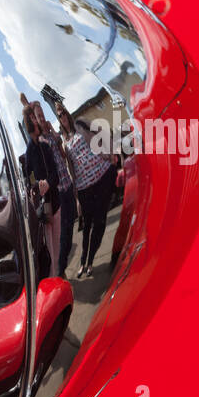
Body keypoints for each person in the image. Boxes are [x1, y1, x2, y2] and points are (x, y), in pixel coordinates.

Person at [57, 106, 115, 279]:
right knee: (87, 226)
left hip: (101, 175)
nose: (62, 117)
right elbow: (71, 166)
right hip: (84, 187)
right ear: (59, 120)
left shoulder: (81, 123)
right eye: (59, 116)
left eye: (63, 113)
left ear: (67, 113)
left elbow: (103, 132)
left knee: (100, 222)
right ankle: (82, 261)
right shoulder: (64, 141)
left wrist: (109, 152)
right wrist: (75, 190)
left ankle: (90, 261)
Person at [21, 106, 61, 279]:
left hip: (56, 204)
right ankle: (52, 281)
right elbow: (28, 180)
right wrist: (37, 184)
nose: (36, 120)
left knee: (58, 248)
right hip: (44, 210)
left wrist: (49, 183)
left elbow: (55, 174)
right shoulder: (29, 153)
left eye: (35, 116)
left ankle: (58, 278)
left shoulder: (45, 147)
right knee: (50, 251)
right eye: (32, 117)